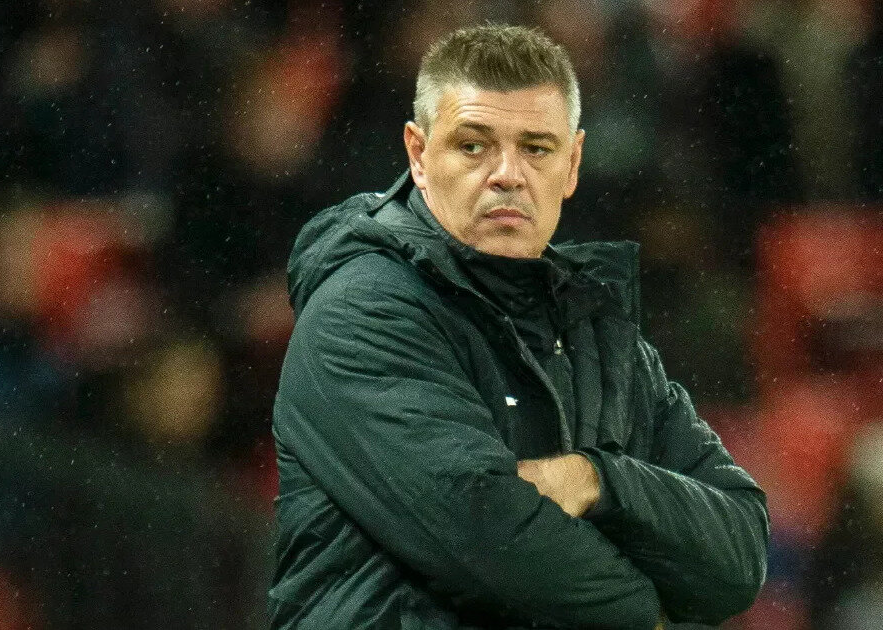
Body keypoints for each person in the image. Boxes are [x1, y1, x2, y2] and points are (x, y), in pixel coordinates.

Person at [270, 23, 768, 629]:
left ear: (573, 164)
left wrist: (598, 480)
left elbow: (739, 556)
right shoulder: (362, 310)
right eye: (473, 146)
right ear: (418, 155)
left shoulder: (596, 327)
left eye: (536, 149)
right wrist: (650, 615)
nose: (508, 174)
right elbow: (489, 533)